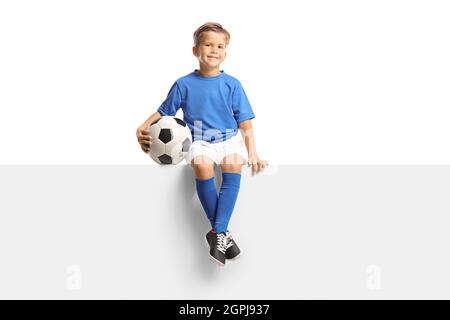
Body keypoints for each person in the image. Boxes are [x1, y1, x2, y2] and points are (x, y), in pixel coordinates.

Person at [136, 22, 268, 266]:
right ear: (196, 50)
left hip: (229, 139)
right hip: (200, 142)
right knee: (202, 166)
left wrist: (254, 153)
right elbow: (163, 111)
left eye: (220, 46)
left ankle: (217, 232)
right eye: (208, 44)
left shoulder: (233, 85)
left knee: (232, 164)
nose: (214, 50)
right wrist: (141, 127)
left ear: (225, 53)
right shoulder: (183, 84)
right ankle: (222, 235)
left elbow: (246, 124)